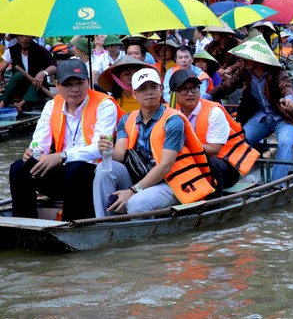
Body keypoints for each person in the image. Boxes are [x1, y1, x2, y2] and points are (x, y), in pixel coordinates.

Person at [9, 60, 120, 221]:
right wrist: (34, 153)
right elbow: (40, 142)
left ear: (88, 82)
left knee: (76, 169)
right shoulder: (51, 105)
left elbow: (99, 148)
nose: (75, 89)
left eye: (80, 83)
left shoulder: (105, 104)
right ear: (57, 85)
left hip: (94, 172)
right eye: (68, 84)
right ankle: (23, 221)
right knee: (19, 168)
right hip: (64, 170)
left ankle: (72, 224)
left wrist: (62, 156)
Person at [93, 69, 214, 217]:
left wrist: (132, 191)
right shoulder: (126, 119)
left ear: (161, 90)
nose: (149, 92)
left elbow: (165, 166)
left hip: (170, 182)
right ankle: (104, 223)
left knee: (136, 204)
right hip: (140, 178)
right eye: (143, 88)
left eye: (153, 87)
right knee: (104, 169)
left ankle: (135, 236)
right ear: (134, 94)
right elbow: (119, 155)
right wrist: (108, 151)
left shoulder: (173, 120)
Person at [208, 36, 293, 183]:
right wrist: (206, 97)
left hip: (284, 118)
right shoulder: (245, 72)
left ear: (260, 60)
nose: (244, 61)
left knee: (285, 143)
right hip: (262, 117)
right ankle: (229, 178)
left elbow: (286, 86)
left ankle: (277, 184)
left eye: (248, 58)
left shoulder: (277, 73)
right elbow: (226, 87)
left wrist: (290, 99)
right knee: (240, 141)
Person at [170, 69, 260, 192]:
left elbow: (213, 150)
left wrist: (183, 143)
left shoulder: (214, 112)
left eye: (194, 88)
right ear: (173, 93)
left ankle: (216, 202)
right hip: (190, 164)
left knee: (212, 163)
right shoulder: (169, 114)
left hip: (223, 167)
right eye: (184, 89)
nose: (190, 93)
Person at [0, 35, 57, 111]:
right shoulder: (11, 50)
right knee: (18, 75)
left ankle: (21, 104)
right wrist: (1, 77)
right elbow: (1, 69)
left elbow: (53, 67)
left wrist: (43, 73)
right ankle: (2, 103)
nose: (24, 39)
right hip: (20, 88)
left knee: (36, 80)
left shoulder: (41, 50)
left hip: (38, 88)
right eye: (21, 36)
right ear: (17, 37)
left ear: (32, 37)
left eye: (27, 36)